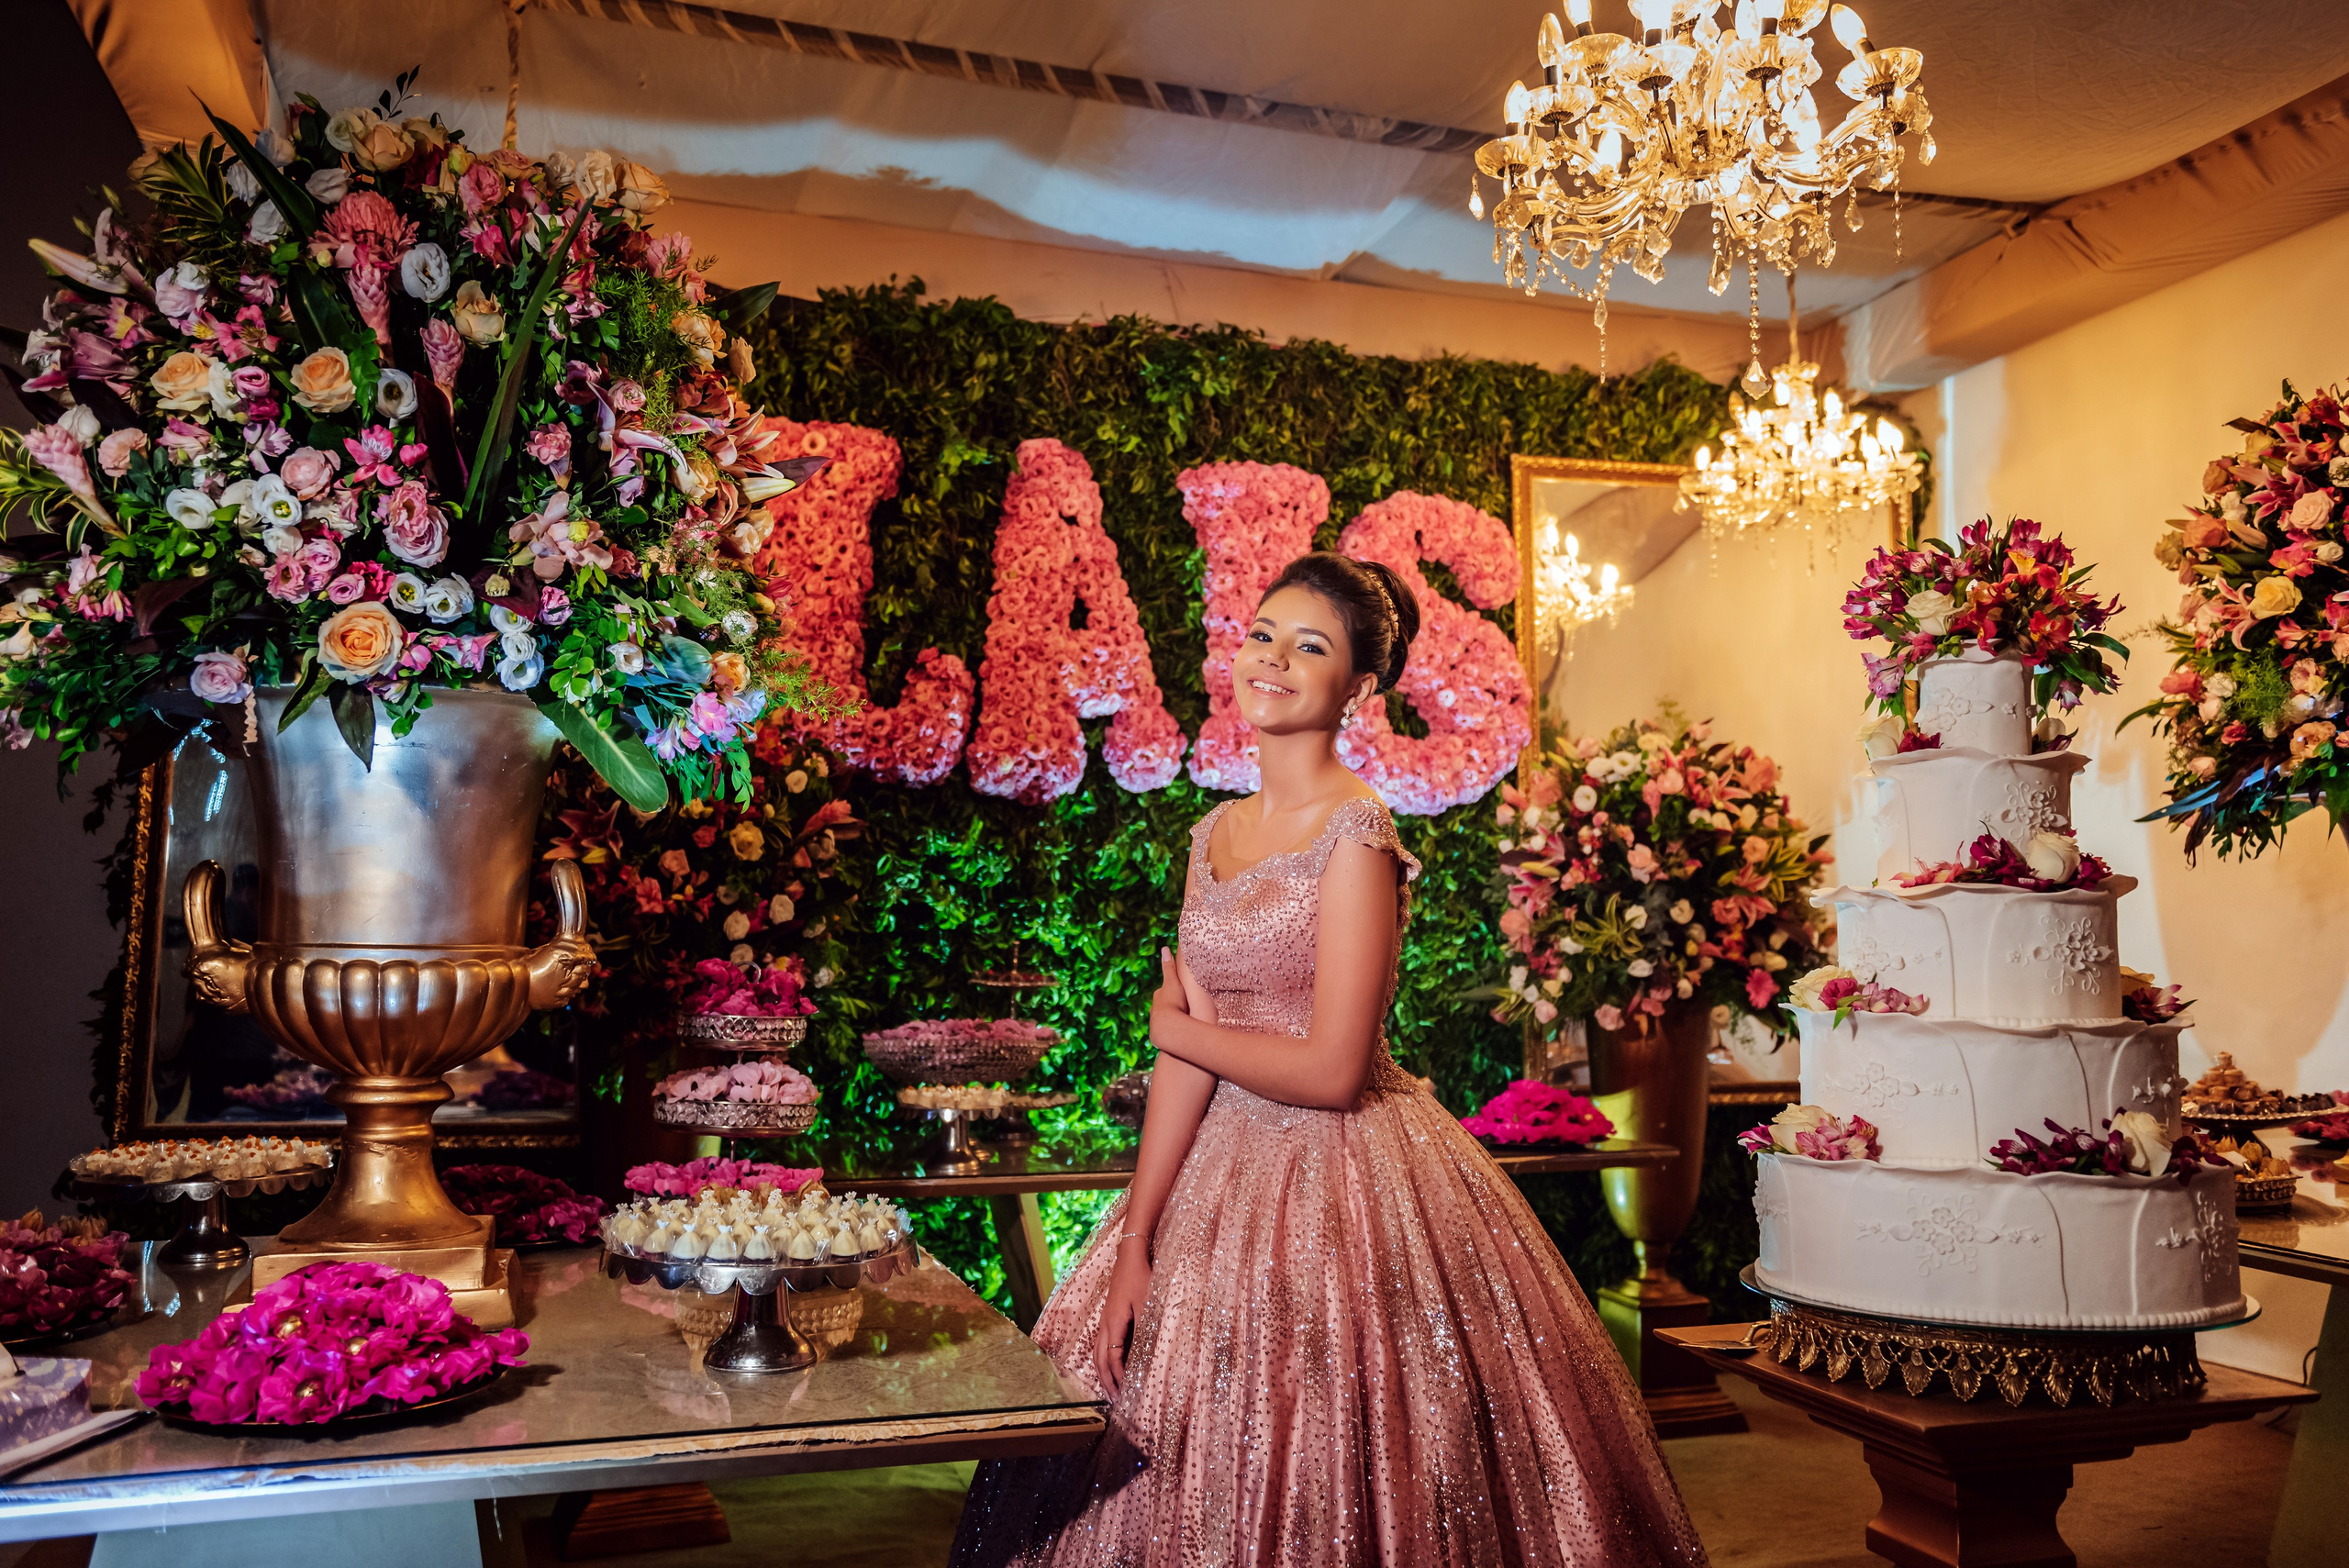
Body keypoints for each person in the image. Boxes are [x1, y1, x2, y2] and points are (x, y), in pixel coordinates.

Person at [952, 551, 1706, 1567]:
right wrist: (1137, 1232)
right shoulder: (1212, 831)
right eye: (1261, 634)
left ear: (1357, 687)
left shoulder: (1357, 834)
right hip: (1216, 1179)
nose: (1271, 659)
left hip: (1352, 1175)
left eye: (1309, 646)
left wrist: (1174, 1028)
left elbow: (1332, 1068)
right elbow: (1190, 1062)